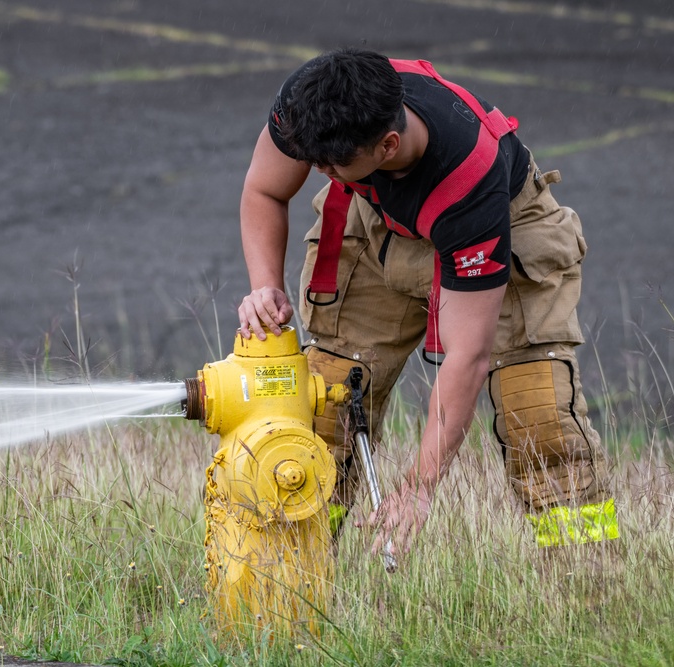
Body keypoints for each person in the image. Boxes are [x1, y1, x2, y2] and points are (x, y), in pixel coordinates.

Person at [236, 48, 619, 555]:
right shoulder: (313, 100)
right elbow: (264, 189)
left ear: (388, 145)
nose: (317, 170)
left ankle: (587, 583)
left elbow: (467, 355)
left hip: (501, 228)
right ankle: (292, 574)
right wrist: (265, 285)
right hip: (380, 226)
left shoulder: (470, 182)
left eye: (330, 165)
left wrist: (419, 487)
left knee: (541, 420)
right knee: (323, 411)